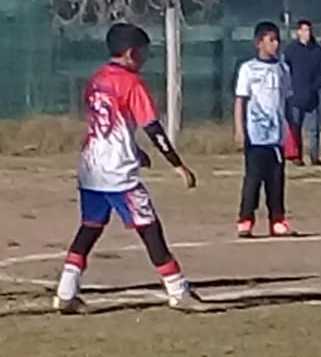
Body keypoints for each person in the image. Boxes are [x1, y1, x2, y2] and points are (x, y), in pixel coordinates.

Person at [53, 22, 208, 314]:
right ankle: (177, 290)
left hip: (91, 167)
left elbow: (109, 124)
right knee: (150, 228)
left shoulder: (96, 79)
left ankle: (65, 291)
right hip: (118, 173)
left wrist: (135, 150)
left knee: (90, 227)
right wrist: (178, 164)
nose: (145, 58)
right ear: (130, 53)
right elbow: (153, 128)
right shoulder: (132, 83)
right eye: (144, 53)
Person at [234, 21, 295, 238]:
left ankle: (277, 220)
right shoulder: (248, 69)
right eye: (271, 40)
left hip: (276, 136)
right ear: (259, 43)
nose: (276, 44)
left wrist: (290, 133)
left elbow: (285, 102)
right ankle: (245, 219)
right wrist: (240, 130)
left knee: (276, 180)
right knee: (253, 178)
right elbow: (240, 101)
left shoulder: (282, 69)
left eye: (277, 39)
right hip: (255, 135)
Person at [283, 19, 321, 166]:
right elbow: (285, 71)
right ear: (298, 32)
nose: (306, 34)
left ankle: (314, 157)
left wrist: (315, 87)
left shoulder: (317, 51)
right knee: (295, 127)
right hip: (295, 97)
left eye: (308, 30)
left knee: (314, 130)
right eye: (303, 30)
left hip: (312, 97)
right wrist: (289, 89)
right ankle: (297, 156)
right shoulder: (291, 50)